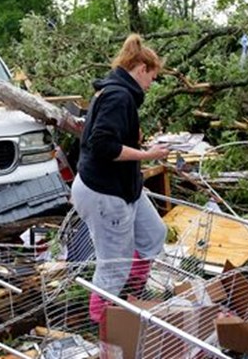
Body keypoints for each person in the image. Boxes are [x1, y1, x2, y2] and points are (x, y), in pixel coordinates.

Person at [70, 34, 170, 323]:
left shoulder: (114, 92)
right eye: (152, 76)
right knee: (114, 265)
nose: (152, 84)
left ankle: (132, 296)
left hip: (124, 186)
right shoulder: (118, 95)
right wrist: (148, 155)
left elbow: (94, 136)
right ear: (141, 69)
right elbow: (102, 146)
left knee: (154, 235)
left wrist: (134, 140)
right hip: (105, 192)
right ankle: (103, 324)